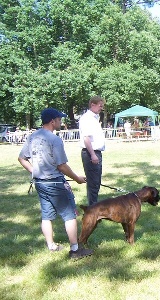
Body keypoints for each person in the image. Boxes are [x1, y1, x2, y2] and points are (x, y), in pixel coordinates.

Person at [18, 108, 93, 259]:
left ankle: (51, 245)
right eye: (59, 119)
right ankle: (75, 250)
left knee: (46, 216)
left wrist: (35, 172)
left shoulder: (33, 137)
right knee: (70, 215)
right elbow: (61, 166)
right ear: (52, 121)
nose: (61, 122)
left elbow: (21, 158)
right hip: (55, 183)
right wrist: (77, 178)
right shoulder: (55, 139)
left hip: (40, 183)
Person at [79, 96, 106, 206]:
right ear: (92, 105)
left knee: (96, 182)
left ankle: (93, 208)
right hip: (91, 153)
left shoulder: (94, 118)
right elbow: (86, 138)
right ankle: (92, 209)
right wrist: (93, 155)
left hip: (95, 153)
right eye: (100, 106)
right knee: (93, 184)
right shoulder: (87, 119)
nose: (101, 108)